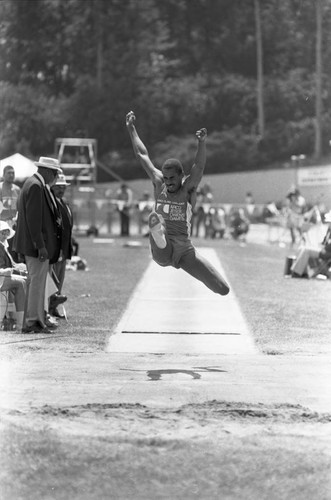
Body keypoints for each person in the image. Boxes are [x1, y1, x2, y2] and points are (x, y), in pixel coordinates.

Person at [126, 110, 229, 296]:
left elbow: (199, 166)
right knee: (160, 237)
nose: (168, 182)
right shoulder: (159, 183)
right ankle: (158, 233)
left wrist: (202, 143)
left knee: (222, 289)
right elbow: (142, 154)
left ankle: (160, 234)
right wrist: (131, 128)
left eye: (172, 178)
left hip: (184, 248)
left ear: (182, 176)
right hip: (162, 248)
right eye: (165, 178)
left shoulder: (188, 188)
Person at [13, 156, 65, 333]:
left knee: (37, 283)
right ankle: (32, 322)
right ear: (48, 171)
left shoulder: (34, 184)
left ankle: (34, 320)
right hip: (35, 246)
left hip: (33, 244)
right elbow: (34, 220)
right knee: (36, 283)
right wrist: (40, 245)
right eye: (55, 173)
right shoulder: (35, 186)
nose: (56, 177)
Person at [50, 172, 74, 318]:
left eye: (63, 187)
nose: (61, 190)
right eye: (58, 187)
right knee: (53, 280)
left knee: (60, 280)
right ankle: (49, 307)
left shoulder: (64, 203)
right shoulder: (52, 203)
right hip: (56, 249)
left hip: (64, 249)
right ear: (52, 187)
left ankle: (54, 307)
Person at [0, 221, 27, 332]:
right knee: (21, 283)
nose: (5, 235)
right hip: (1, 276)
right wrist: (15, 270)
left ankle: (18, 319)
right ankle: (21, 324)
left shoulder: (3, 246)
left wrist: (21, 267)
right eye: (3, 232)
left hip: (4, 275)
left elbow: (11, 264)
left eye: (7, 233)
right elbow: (3, 268)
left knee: (27, 279)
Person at [0, 165, 21, 257]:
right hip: (2, 226)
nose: (11, 175)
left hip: (14, 225)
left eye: (13, 173)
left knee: (13, 252)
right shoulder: (0, 188)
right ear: (3, 175)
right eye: (9, 173)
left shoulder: (17, 189)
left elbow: (19, 208)